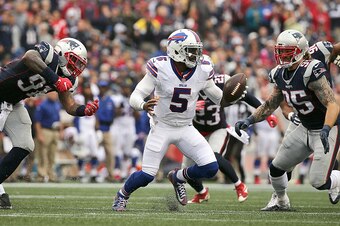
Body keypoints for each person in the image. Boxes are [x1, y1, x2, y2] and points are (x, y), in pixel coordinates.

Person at [112, 28, 230, 211]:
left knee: (210, 167)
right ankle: (122, 194)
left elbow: (217, 96)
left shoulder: (203, 69)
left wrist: (233, 95)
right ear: (176, 49)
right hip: (162, 126)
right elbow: (135, 96)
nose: (196, 55)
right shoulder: (160, 67)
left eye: (197, 50)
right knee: (147, 175)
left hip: (186, 127)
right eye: (191, 50)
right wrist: (143, 105)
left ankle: (178, 177)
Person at [235, 29, 340, 211]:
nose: (281, 55)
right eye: (280, 51)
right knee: (275, 169)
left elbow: (333, 104)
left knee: (318, 182)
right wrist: (249, 120)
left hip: (326, 128)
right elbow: (271, 104)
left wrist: (326, 128)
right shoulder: (278, 73)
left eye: (287, 51)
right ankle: (281, 201)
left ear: (299, 51)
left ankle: (336, 179)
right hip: (303, 126)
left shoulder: (311, 69)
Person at [0, 37, 99, 209]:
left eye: (80, 64)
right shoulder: (49, 55)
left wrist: (84, 110)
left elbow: (69, 105)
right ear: (62, 53)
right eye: (74, 61)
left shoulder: (70, 79)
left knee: (25, 145)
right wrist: (55, 79)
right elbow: (29, 57)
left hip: (13, 103)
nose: (76, 68)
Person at [184, 73, 278, 203]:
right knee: (186, 171)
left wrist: (267, 115)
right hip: (195, 131)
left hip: (218, 129)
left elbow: (245, 97)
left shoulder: (221, 83)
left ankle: (239, 185)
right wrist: (189, 106)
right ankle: (202, 193)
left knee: (215, 156)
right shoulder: (186, 85)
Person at [35, 91, 62, 183]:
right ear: (48, 94)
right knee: (43, 154)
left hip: (55, 131)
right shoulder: (42, 105)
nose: (55, 95)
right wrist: (39, 134)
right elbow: (37, 121)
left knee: (52, 154)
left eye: (56, 93)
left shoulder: (57, 104)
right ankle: (41, 175)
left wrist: (60, 131)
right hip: (45, 130)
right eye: (53, 93)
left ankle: (51, 175)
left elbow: (59, 118)